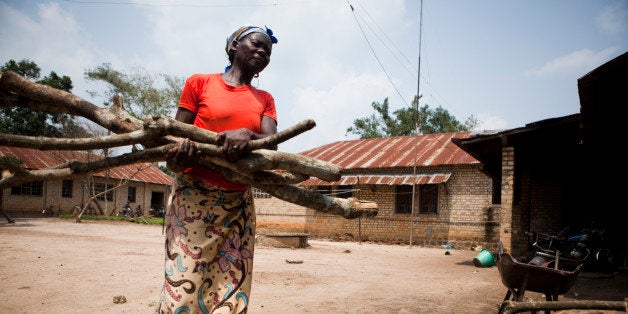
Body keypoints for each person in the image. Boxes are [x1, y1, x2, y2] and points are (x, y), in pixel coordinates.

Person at [158, 25, 278, 314]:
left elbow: (272, 144)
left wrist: (249, 135)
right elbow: (175, 137)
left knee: (229, 289)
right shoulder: (200, 83)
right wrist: (178, 152)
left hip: (237, 205)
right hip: (193, 197)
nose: (262, 51)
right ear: (234, 46)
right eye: (255, 44)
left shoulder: (265, 99)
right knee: (183, 279)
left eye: (268, 51)